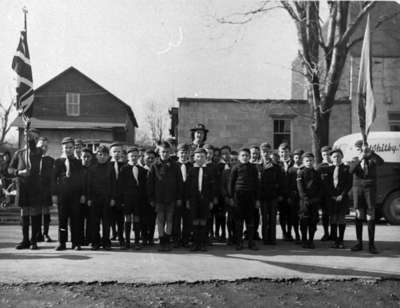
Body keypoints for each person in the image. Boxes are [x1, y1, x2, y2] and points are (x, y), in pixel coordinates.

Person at [9, 128, 43, 250]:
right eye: (29, 136)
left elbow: (33, 149)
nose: (31, 138)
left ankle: (34, 241)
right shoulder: (18, 153)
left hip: (34, 188)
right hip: (22, 187)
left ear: (36, 139)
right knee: (24, 215)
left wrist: (30, 139)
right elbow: (10, 169)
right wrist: (19, 172)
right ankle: (25, 240)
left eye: (34, 137)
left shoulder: (38, 151)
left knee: (33, 214)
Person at [147, 141, 183, 252]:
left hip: (171, 197)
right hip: (159, 198)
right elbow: (150, 184)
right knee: (160, 219)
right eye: (163, 152)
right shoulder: (154, 166)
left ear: (170, 152)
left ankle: (167, 240)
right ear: (159, 152)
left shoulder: (175, 166)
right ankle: (162, 241)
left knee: (170, 219)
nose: (165, 154)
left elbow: (179, 183)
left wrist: (179, 197)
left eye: (167, 152)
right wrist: (151, 198)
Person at [349, 140, 384, 254]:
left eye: (363, 149)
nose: (362, 151)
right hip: (358, 190)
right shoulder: (354, 159)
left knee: (370, 214)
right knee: (359, 214)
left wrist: (371, 153)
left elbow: (381, 162)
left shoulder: (372, 159)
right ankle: (359, 243)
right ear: (356, 150)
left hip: (370, 189)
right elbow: (351, 170)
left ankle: (371, 245)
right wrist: (360, 158)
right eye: (359, 149)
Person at [52, 137, 84, 251]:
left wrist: (82, 194)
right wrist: (54, 195)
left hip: (75, 196)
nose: (68, 150)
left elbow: (82, 180)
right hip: (62, 196)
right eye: (66, 147)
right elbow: (53, 179)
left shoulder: (78, 162)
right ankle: (62, 243)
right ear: (62, 148)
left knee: (75, 220)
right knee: (62, 220)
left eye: (70, 147)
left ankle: (76, 243)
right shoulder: (58, 162)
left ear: (73, 148)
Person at [229, 148, 260, 250]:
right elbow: (231, 184)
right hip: (238, 196)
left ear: (249, 157)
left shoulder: (253, 168)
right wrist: (231, 197)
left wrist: (257, 199)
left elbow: (256, 184)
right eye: (243, 155)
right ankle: (239, 242)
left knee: (250, 221)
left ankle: (251, 242)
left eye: (247, 155)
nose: (245, 157)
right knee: (239, 221)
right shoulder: (235, 168)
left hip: (250, 197)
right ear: (239, 157)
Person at [186, 148, 216, 251]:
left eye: (202, 156)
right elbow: (188, 186)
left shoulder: (209, 170)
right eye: (197, 156)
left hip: (205, 200)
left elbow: (212, 187)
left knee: (203, 220)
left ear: (206, 157)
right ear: (194, 158)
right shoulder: (191, 170)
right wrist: (188, 200)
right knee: (194, 220)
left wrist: (211, 200)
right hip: (194, 199)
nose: (200, 159)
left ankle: (202, 243)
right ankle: (195, 243)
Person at [87, 145, 116, 250]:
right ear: (96, 155)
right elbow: (89, 185)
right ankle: (95, 242)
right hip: (95, 199)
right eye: (100, 154)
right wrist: (89, 198)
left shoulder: (111, 168)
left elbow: (113, 184)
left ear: (108, 156)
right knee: (94, 222)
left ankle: (106, 242)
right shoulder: (92, 169)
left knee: (106, 222)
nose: (102, 157)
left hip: (107, 199)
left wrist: (113, 198)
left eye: (105, 155)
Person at [119, 147, 147, 250]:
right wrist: (121, 200)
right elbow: (120, 186)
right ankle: (127, 242)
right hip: (127, 198)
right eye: (132, 156)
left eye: (136, 156)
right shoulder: (124, 169)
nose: (134, 158)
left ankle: (136, 241)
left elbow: (144, 186)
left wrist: (143, 199)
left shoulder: (142, 170)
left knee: (137, 219)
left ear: (138, 156)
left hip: (138, 198)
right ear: (128, 157)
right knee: (127, 219)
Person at [324, 148, 352, 249]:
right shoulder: (328, 169)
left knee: (341, 219)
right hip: (331, 198)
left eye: (338, 156)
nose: (336, 158)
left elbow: (349, 184)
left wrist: (341, 195)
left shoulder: (346, 169)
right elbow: (326, 184)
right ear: (331, 158)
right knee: (333, 219)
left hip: (342, 198)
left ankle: (341, 240)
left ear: (342, 157)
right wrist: (332, 195)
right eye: (334, 156)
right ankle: (335, 241)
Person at [297, 152, 322, 249]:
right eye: (307, 161)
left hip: (314, 201)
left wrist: (317, 198)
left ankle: (311, 240)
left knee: (313, 221)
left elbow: (320, 187)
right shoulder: (301, 173)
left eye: (311, 160)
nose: (309, 162)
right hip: (304, 202)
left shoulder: (316, 173)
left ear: (314, 161)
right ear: (303, 161)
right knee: (304, 221)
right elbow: (300, 188)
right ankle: (304, 240)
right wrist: (305, 198)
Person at [259, 142, 281, 245]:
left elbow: (280, 181)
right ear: (261, 152)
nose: (265, 154)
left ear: (270, 152)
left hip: (273, 195)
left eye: (267, 152)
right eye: (264, 151)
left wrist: (278, 194)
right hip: (262, 196)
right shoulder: (257, 166)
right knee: (264, 218)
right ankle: (265, 238)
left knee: (272, 218)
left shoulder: (276, 166)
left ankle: (272, 238)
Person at [172, 143, 192, 248]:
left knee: (187, 220)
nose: (184, 155)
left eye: (186, 152)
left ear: (189, 153)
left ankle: (185, 239)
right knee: (176, 219)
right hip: (176, 198)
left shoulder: (192, 166)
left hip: (188, 197)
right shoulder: (174, 166)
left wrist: (189, 198)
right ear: (177, 153)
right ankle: (176, 239)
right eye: (182, 152)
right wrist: (177, 197)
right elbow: (172, 184)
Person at [36, 137, 54, 243]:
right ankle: (38, 234)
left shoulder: (50, 160)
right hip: (35, 190)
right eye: (41, 145)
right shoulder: (32, 159)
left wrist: (52, 192)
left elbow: (52, 178)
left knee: (46, 212)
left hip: (46, 190)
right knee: (36, 212)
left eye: (46, 146)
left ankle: (46, 234)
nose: (43, 148)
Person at [277, 142, 295, 241]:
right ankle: (284, 232)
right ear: (279, 153)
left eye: (286, 152)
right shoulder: (277, 164)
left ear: (289, 152)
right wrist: (278, 194)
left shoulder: (294, 163)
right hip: (281, 194)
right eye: (282, 152)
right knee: (282, 214)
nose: (284, 154)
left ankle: (289, 232)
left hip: (291, 193)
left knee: (291, 215)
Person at [109, 142, 125, 247]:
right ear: (110, 153)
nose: (116, 154)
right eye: (114, 151)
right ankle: (111, 235)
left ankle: (121, 236)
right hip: (109, 196)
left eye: (119, 151)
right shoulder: (107, 165)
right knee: (110, 217)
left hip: (121, 196)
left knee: (120, 218)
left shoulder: (124, 165)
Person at [287, 148, 304, 243]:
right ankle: (296, 234)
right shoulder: (291, 170)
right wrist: (289, 195)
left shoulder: (304, 169)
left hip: (302, 197)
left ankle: (303, 234)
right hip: (293, 196)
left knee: (302, 216)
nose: (298, 159)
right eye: (296, 157)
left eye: (300, 158)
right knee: (293, 217)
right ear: (293, 158)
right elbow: (287, 184)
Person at [141, 149, 157, 246]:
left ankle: (150, 238)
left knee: (152, 220)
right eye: (148, 158)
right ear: (144, 159)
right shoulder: (141, 170)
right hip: (142, 199)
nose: (150, 160)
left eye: (152, 158)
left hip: (153, 199)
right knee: (143, 220)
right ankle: (144, 238)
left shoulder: (157, 170)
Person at [318, 145, 333, 241]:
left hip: (334, 195)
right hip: (324, 195)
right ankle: (326, 233)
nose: (326, 156)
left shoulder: (335, 165)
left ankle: (334, 233)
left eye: (328, 154)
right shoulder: (320, 167)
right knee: (325, 215)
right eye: (324, 154)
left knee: (334, 215)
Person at [80, 147, 93, 246]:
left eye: (88, 157)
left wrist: (90, 198)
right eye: (84, 157)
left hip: (91, 199)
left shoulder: (94, 169)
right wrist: (82, 195)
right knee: (79, 220)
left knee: (90, 220)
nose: (86, 159)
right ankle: (80, 239)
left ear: (91, 157)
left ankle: (89, 238)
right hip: (80, 198)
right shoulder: (78, 169)